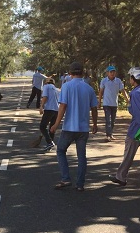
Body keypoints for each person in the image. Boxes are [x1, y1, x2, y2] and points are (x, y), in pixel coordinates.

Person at [108, 67, 140, 192]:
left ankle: (121, 177)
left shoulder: (135, 94)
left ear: (133, 79)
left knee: (128, 156)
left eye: (130, 77)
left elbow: (138, 113)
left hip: (137, 130)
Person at [50, 61, 98, 191]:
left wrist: (56, 124)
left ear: (70, 73)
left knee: (60, 150)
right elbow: (94, 108)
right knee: (81, 156)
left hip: (69, 128)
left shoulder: (66, 86)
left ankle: (66, 178)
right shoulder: (88, 88)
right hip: (83, 129)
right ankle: (80, 184)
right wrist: (94, 124)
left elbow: (63, 106)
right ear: (82, 73)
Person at [98, 65, 128, 142]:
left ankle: (110, 134)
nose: (112, 73)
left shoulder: (118, 81)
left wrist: (127, 99)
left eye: (113, 72)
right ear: (107, 73)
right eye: (111, 72)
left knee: (113, 120)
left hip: (114, 103)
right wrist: (99, 102)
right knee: (108, 120)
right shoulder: (104, 81)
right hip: (106, 103)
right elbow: (101, 92)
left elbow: (123, 91)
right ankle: (108, 135)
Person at [39, 77, 60, 151]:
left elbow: (45, 97)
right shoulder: (57, 89)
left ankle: (49, 142)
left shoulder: (46, 87)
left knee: (42, 126)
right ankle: (50, 143)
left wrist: (41, 106)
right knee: (52, 128)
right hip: (56, 110)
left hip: (49, 109)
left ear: (46, 82)